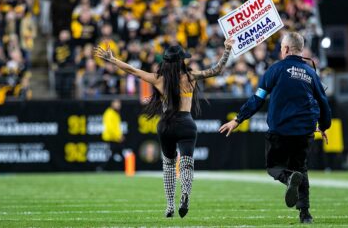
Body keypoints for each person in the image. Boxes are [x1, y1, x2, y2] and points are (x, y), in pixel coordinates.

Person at [95, 37, 235, 218]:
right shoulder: (191, 76)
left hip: (166, 124)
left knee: (168, 165)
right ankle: (185, 194)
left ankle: (169, 206)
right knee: (186, 165)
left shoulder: (158, 79)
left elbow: (133, 71)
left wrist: (112, 59)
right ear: (180, 61)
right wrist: (227, 50)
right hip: (186, 123)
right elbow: (217, 70)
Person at [219, 32, 331, 224]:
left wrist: (237, 120)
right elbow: (323, 102)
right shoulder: (311, 73)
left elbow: (257, 99)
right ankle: (305, 215)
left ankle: (288, 179)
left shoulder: (275, 70)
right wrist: (324, 125)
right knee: (301, 169)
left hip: (280, 130)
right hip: (304, 131)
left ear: (285, 49)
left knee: (273, 167)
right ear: (301, 49)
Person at [102, 99, 128, 168]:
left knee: (116, 153)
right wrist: (118, 136)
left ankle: (125, 168)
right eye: (117, 103)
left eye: (119, 104)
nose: (119, 105)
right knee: (112, 154)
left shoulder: (115, 113)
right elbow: (110, 128)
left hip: (115, 138)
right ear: (112, 104)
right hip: (111, 138)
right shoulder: (109, 113)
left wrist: (119, 135)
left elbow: (116, 127)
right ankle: (103, 168)